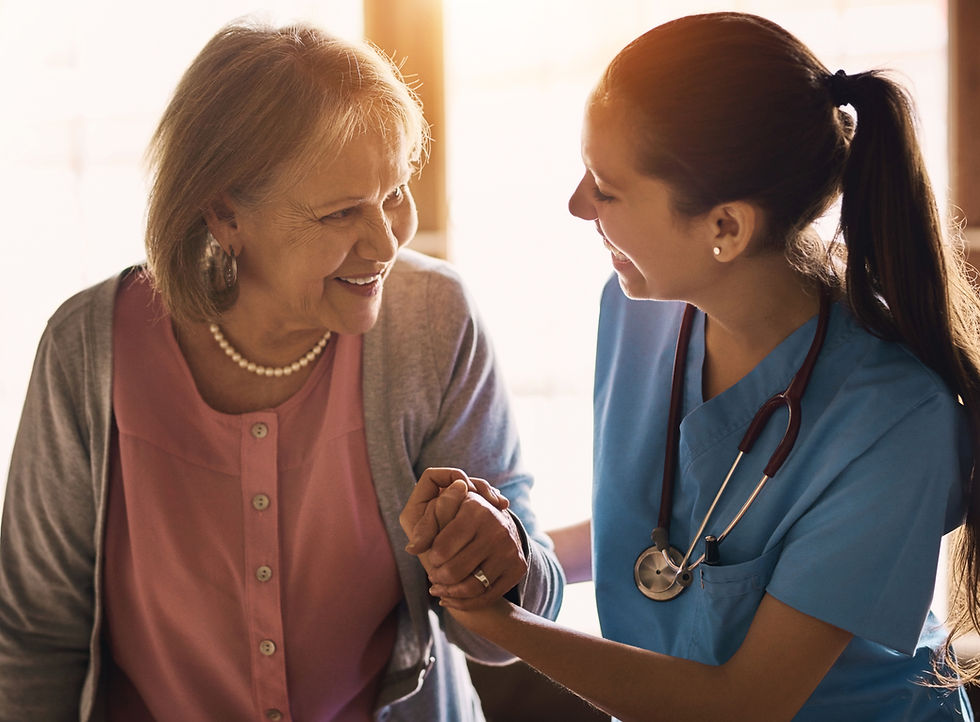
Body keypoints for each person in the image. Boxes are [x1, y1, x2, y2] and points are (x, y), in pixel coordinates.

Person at [401, 11, 980, 722]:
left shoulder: (896, 421)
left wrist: (499, 624)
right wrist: (515, 541)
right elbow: (663, 535)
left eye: (606, 187)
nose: (577, 204)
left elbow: (744, 706)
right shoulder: (640, 310)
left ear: (726, 228)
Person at [0, 20, 562, 722]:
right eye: (340, 213)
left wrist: (497, 563)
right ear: (225, 214)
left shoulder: (432, 320)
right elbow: (34, 639)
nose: (387, 242)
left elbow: (511, 630)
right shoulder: (85, 349)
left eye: (394, 193)